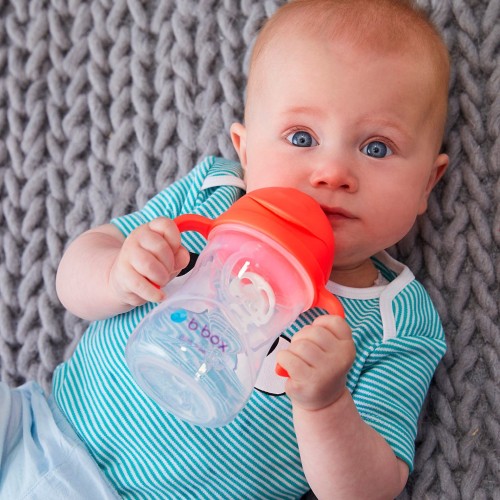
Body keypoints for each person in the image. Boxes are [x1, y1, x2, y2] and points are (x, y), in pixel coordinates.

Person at [0, 0, 451, 498]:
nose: (333, 174)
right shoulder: (213, 197)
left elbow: (371, 489)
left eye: (376, 148)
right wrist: (115, 271)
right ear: (245, 150)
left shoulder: (396, 320)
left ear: (427, 183)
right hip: (38, 427)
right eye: (302, 137)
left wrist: (326, 405)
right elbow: (73, 278)